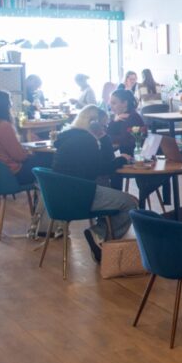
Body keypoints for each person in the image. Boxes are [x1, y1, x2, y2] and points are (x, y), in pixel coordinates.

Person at [49, 105, 137, 260]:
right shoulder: (86, 141)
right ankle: (98, 234)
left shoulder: (70, 136)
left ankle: (101, 242)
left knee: (107, 188)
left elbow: (101, 162)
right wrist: (122, 159)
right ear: (94, 124)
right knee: (130, 202)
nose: (106, 129)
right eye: (104, 125)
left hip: (60, 194)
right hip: (80, 195)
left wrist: (103, 138)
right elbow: (101, 168)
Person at [0, 89, 52, 185]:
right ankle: (51, 195)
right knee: (49, 158)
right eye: (10, 104)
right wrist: (30, 153)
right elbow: (20, 156)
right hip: (12, 174)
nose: (11, 106)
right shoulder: (2, 125)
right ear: (4, 106)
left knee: (40, 158)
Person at [106, 89, 144, 157]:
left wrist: (112, 138)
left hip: (133, 158)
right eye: (110, 103)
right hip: (124, 154)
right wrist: (114, 121)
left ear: (125, 103)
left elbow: (125, 141)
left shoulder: (132, 118)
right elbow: (107, 135)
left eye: (114, 103)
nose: (110, 106)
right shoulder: (120, 117)